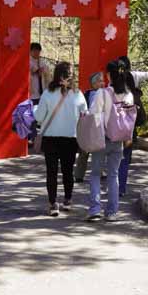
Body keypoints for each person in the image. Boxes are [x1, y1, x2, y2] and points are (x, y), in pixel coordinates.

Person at [33, 61, 87, 216]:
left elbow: (39, 117)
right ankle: (68, 201)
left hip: (50, 138)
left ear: (56, 76)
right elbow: (85, 114)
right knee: (68, 171)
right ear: (72, 77)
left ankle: (52, 204)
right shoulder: (78, 94)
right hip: (70, 138)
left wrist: (35, 109)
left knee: (51, 172)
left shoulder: (48, 94)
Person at [86, 60, 134, 222]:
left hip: (102, 139)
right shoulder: (129, 94)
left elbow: (93, 114)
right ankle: (112, 211)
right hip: (119, 140)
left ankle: (95, 209)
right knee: (113, 175)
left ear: (109, 75)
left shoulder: (103, 93)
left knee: (95, 174)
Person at [117, 56, 148, 196]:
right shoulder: (133, 78)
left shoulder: (113, 86)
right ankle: (121, 188)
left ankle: (115, 186)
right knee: (125, 158)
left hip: (115, 127)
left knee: (115, 158)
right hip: (130, 128)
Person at [74, 71, 108, 182]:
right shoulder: (87, 94)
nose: (103, 83)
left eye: (103, 81)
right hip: (88, 125)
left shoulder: (106, 93)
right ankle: (79, 175)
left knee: (100, 149)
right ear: (93, 83)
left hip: (100, 124)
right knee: (84, 150)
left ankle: (101, 171)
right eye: (100, 81)